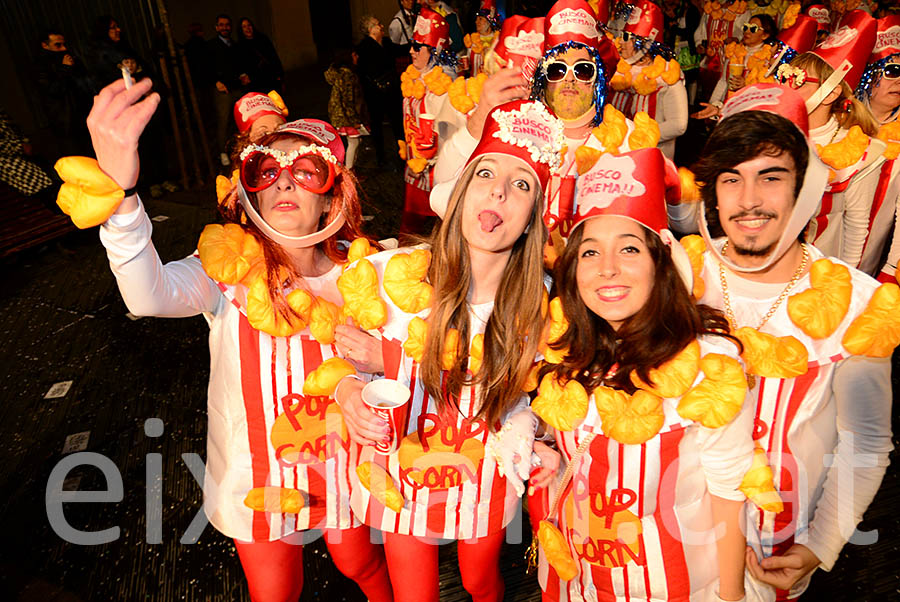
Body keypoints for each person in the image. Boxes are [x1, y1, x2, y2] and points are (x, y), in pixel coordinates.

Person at [76, 78, 395, 602]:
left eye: (306, 171)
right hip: (259, 469)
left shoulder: (365, 270)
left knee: (359, 561)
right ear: (248, 194)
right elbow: (147, 295)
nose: (285, 183)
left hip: (343, 459)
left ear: (332, 195)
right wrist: (124, 198)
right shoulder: (225, 271)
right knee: (275, 590)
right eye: (266, 171)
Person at [334, 99, 565, 602]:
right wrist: (349, 389)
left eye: (521, 184)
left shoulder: (547, 306)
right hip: (401, 470)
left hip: (485, 472)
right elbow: (340, 356)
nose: (499, 190)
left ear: (530, 219)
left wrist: (541, 437)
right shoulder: (391, 276)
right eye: (486, 173)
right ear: (460, 195)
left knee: (481, 583)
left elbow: (536, 396)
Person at [686, 83, 894, 601]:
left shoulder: (854, 302)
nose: (749, 200)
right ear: (711, 191)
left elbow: (865, 443)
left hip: (773, 553)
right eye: (731, 179)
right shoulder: (675, 278)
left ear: (805, 186)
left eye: (770, 177)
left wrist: (821, 545)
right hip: (674, 543)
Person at [533, 146, 759, 602]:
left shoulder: (706, 367)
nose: (608, 268)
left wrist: (731, 595)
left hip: (673, 585)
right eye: (590, 252)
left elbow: (730, 489)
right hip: (577, 576)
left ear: (662, 261)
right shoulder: (567, 349)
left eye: (629, 249)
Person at [782, 11, 884, 268]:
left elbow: (857, 226)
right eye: (784, 76)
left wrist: (846, 280)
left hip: (817, 272)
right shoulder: (773, 132)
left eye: (798, 79)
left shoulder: (859, 153)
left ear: (831, 93)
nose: (786, 86)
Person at [398, 7, 456, 235]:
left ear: (434, 51)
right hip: (413, 165)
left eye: (417, 47)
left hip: (434, 170)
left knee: (441, 221)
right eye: (411, 45)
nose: (411, 51)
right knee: (411, 223)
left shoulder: (442, 86)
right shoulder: (412, 76)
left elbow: (448, 131)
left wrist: (430, 156)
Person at [608, 0, 689, 159]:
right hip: (617, 153)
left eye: (627, 37)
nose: (621, 43)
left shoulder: (666, 76)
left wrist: (637, 137)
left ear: (645, 44)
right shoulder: (617, 68)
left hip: (652, 156)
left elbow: (678, 125)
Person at [854, 14, 900, 282]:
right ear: (869, 76)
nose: (899, 80)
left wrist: (893, 267)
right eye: (892, 71)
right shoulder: (840, 120)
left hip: (867, 263)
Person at [34, 28, 94, 158]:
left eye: (64, 44)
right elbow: (53, 90)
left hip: (84, 117)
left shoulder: (70, 58)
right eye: (57, 45)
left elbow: (86, 83)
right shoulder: (42, 66)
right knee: (79, 161)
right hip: (66, 122)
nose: (63, 48)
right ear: (45, 45)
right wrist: (65, 68)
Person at [356, 15, 404, 168]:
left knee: (397, 123)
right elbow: (362, 72)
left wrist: (416, 44)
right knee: (376, 125)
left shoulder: (387, 42)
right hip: (375, 94)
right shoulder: (363, 48)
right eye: (378, 25)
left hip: (392, 90)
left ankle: (402, 154)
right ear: (370, 29)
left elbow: (400, 50)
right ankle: (381, 158)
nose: (382, 27)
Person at [209, 14, 251, 166]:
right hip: (223, 90)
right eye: (221, 25)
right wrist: (216, 82)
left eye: (227, 25)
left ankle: (238, 149)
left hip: (237, 88)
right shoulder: (211, 46)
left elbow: (238, 64)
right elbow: (206, 68)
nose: (224, 27)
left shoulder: (234, 44)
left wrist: (243, 75)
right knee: (224, 121)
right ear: (216, 27)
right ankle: (222, 152)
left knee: (239, 119)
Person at [325, 50, 369, 169]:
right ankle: (349, 171)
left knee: (355, 142)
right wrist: (354, 120)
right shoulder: (347, 75)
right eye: (354, 55)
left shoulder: (341, 74)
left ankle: (351, 169)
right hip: (345, 116)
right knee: (353, 142)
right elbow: (347, 100)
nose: (357, 57)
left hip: (340, 114)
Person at [236, 17, 284, 94]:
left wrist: (279, 74)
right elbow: (241, 64)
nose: (247, 28)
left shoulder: (263, 39)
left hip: (270, 77)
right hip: (255, 82)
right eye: (244, 26)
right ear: (241, 29)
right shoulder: (240, 46)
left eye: (249, 25)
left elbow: (274, 57)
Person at [464, 0, 501, 77]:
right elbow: (468, 64)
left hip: (494, 84)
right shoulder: (472, 40)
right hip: (475, 84)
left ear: (489, 22)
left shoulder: (498, 40)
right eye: (476, 19)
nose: (476, 22)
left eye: (480, 19)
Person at [389, 0, 418, 71]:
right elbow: (395, 42)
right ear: (401, 2)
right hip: (404, 56)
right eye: (407, 0)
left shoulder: (412, 15)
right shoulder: (397, 21)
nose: (410, 2)